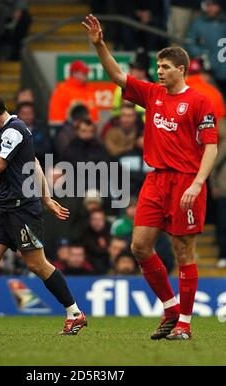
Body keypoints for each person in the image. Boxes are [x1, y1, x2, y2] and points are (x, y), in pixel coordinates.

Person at [83, 15, 218, 340]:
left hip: (186, 181)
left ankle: (184, 323)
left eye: (166, 67)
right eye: (158, 67)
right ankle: (170, 308)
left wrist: (198, 183)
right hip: (156, 180)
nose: (159, 71)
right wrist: (100, 45)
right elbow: (117, 75)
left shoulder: (200, 101)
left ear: (181, 69)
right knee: (140, 246)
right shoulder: (152, 94)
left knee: (183, 250)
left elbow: (211, 147)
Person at [0, 90, 87, 336]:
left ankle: (74, 313)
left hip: (22, 208)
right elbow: (35, 164)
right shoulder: (11, 130)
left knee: (37, 264)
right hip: (3, 207)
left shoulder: (12, 131)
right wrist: (47, 198)